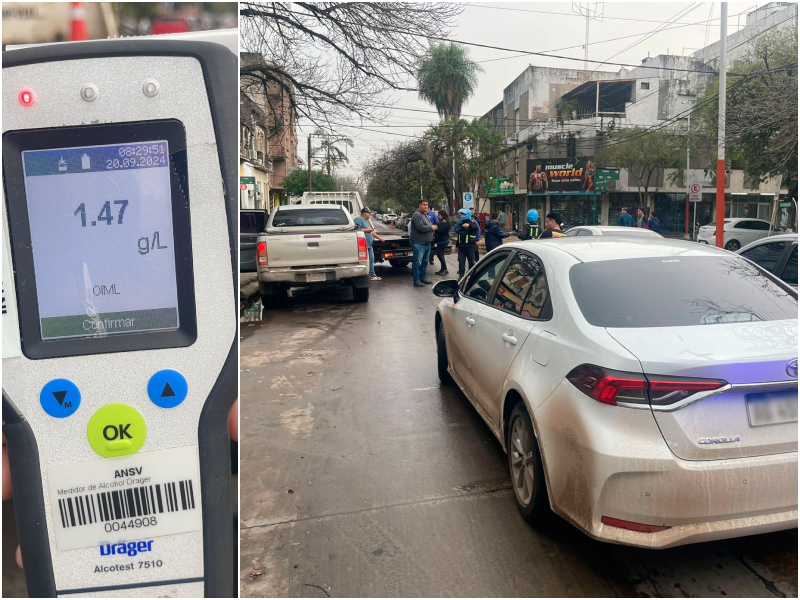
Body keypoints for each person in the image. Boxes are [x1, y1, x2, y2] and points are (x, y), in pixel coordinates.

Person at [409, 200, 437, 287]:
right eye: (424, 205)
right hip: (419, 243)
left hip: (426, 243)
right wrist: (431, 227)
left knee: (425, 261)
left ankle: (422, 278)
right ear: (419, 205)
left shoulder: (425, 215)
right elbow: (420, 227)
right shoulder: (417, 215)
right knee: (418, 262)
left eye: (427, 205)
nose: (426, 206)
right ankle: (416, 280)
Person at [353, 207, 385, 281]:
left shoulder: (366, 221)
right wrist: (368, 230)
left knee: (371, 259)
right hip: (363, 246)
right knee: (364, 261)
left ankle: (372, 274)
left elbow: (372, 232)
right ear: (365, 214)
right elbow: (356, 229)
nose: (370, 215)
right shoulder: (359, 219)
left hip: (369, 245)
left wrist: (379, 238)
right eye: (369, 213)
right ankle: (364, 275)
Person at [454, 208, 480, 276]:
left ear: (467, 215)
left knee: (471, 262)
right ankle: (461, 276)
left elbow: (476, 228)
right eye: (461, 214)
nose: (461, 215)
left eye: (463, 214)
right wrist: (457, 245)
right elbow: (460, 236)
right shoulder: (460, 223)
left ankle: (471, 275)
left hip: (470, 247)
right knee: (461, 262)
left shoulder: (473, 222)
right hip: (462, 247)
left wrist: (469, 225)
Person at [433, 209, 451, 275]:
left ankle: (444, 269)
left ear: (443, 215)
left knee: (440, 255)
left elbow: (441, 231)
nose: (438, 216)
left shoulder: (444, 222)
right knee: (440, 255)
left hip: (443, 241)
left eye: (439, 215)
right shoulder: (442, 222)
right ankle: (443, 269)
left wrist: (435, 228)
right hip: (441, 241)